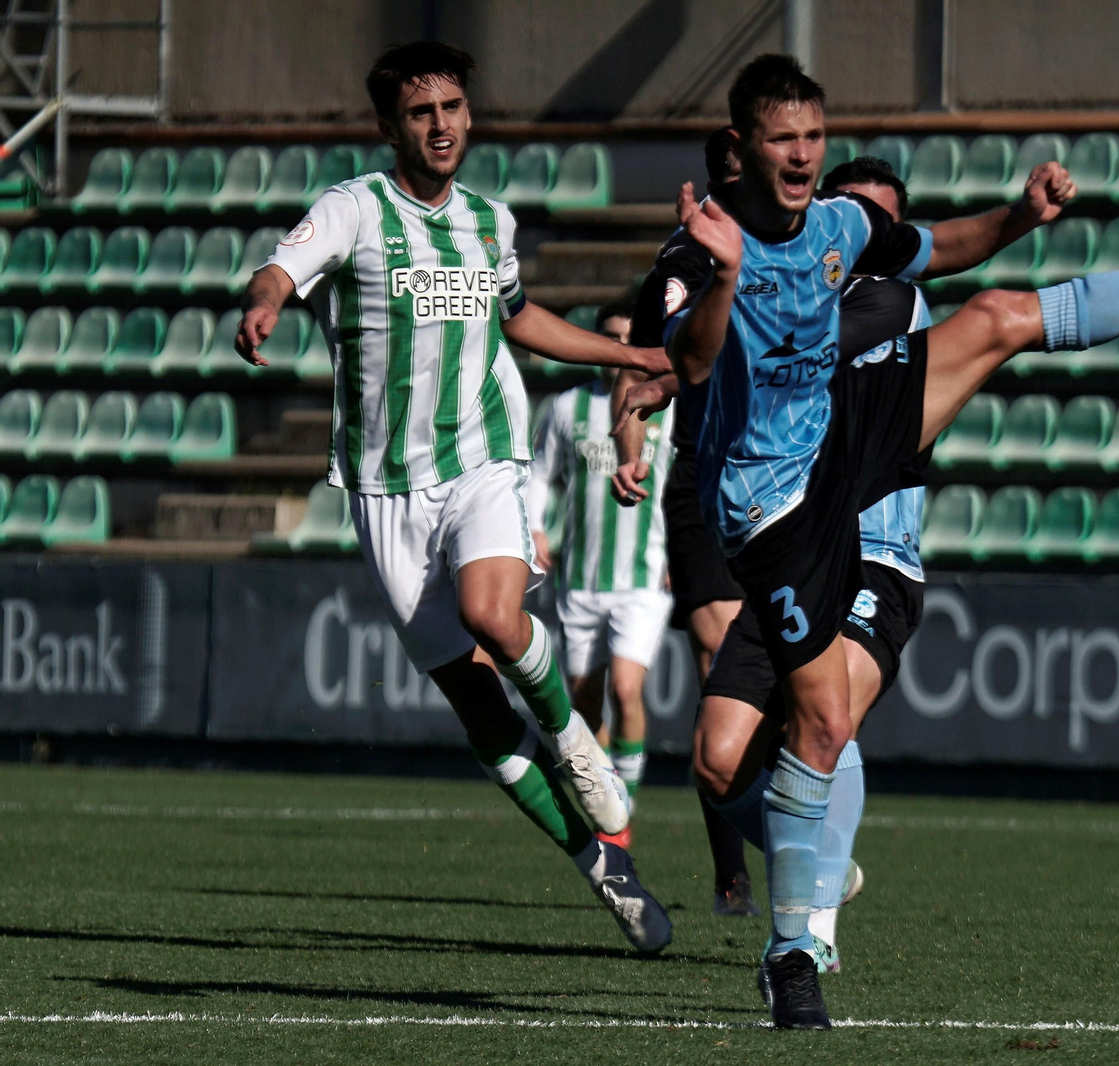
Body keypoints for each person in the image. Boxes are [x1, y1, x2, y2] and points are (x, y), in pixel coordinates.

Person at [662, 54, 1119, 1028]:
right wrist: (721, 281)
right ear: (742, 147)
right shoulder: (699, 247)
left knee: (995, 316)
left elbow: (937, 248)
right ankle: (804, 901)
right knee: (764, 742)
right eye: (785, 140)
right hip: (774, 508)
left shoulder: (843, 228)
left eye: (814, 137)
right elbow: (687, 362)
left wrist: (1019, 218)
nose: (803, 155)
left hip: (841, 444)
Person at [232, 40, 672, 952]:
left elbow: (518, 317)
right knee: (479, 709)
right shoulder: (353, 209)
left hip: (482, 459)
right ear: (389, 126)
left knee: (493, 615)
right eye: (422, 112)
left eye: (453, 108)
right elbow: (281, 267)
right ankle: (601, 865)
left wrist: (627, 352)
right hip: (385, 489)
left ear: (469, 114)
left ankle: (577, 745)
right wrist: (265, 301)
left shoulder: (488, 223)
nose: (441, 125)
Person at [615, 155, 930, 981]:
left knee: (821, 718)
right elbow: (668, 348)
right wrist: (647, 404)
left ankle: (807, 929)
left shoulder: (897, 305)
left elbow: (770, 352)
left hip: (868, 554)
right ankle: (799, 863)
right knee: (717, 756)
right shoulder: (777, 282)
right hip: (760, 518)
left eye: (877, 224)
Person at [611, 126, 762, 917]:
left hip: (795, 469)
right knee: (720, 658)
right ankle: (734, 869)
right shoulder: (684, 259)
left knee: (800, 682)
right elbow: (643, 360)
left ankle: (799, 835)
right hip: (707, 473)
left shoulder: (817, 239)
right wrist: (629, 447)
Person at [526, 298, 674, 849]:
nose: (621, 349)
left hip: (644, 575)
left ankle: (622, 811)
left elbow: (687, 481)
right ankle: (611, 799)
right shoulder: (568, 408)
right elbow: (538, 474)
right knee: (585, 701)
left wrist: (684, 550)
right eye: (612, 337)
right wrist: (535, 529)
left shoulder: (666, 407)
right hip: (580, 579)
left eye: (631, 338)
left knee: (628, 690)